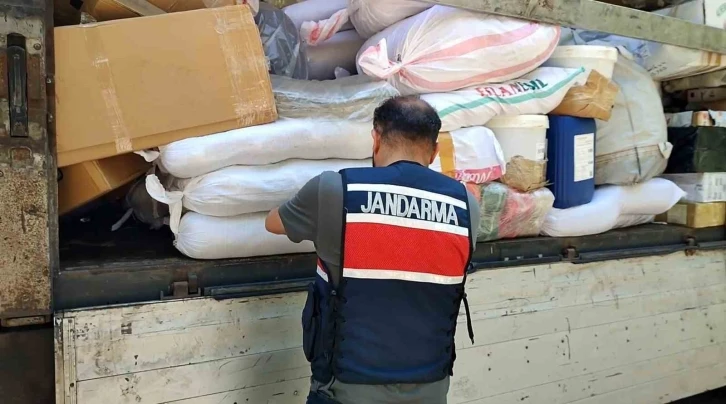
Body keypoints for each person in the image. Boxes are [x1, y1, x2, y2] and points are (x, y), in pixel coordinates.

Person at [265, 95, 480, 404]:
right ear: (434, 152)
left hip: (344, 391)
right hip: (431, 390)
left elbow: (274, 223)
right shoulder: (466, 206)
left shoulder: (335, 190)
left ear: (376, 139)